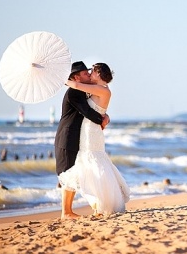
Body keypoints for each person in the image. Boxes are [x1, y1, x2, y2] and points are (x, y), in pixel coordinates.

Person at [58, 63, 130, 216]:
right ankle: (97, 204)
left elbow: (77, 85)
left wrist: (59, 79)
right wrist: (105, 117)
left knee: (92, 162)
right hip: (87, 130)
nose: (90, 73)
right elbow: (93, 107)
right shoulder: (96, 89)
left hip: (91, 131)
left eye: (92, 71)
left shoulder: (100, 89)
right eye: (87, 72)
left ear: (99, 74)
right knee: (89, 163)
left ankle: (100, 204)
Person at [55, 61, 110, 220]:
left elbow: (94, 107)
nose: (88, 74)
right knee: (67, 173)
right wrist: (102, 119)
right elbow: (88, 112)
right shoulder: (74, 92)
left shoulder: (83, 91)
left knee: (71, 172)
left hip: (74, 137)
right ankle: (66, 212)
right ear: (76, 77)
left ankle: (68, 211)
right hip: (67, 137)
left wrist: (104, 116)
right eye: (85, 73)